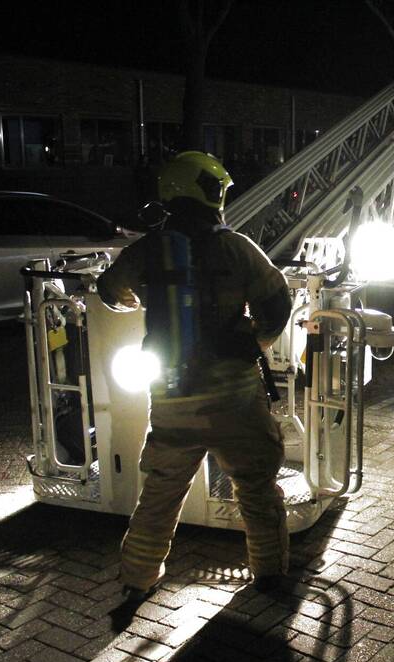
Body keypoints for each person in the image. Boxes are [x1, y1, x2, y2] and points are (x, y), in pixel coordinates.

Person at [97, 151, 293, 600]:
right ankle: (269, 574)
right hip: (237, 397)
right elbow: (276, 304)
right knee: (257, 488)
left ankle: (137, 576)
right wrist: (254, 341)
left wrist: (147, 303)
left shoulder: (150, 248)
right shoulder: (238, 247)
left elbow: (109, 291)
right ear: (212, 193)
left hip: (172, 392)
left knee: (161, 491)